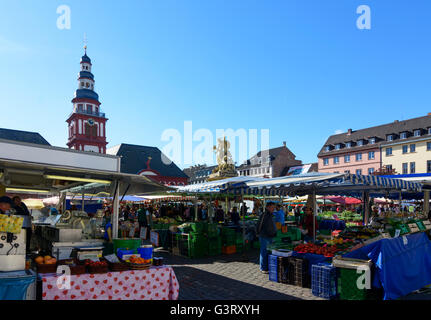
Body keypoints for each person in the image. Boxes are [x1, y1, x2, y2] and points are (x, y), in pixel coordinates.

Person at [256, 202, 277, 273]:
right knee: (264, 252)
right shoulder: (264, 214)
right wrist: (258, 233)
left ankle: (267, 267)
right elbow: (259, 224)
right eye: (272, 207)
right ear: (268, 207)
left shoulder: (271, 215)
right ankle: (263, 268)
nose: (274, 209)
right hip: (264, 236)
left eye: (274, 207)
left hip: (270, 236)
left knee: (269, 252)